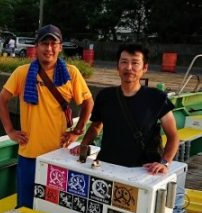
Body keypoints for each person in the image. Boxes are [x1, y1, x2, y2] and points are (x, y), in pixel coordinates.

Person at [0, 24, 94, 208]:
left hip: (59, 154)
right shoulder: (22, 73)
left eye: (53, 43)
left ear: (60, 47)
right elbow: (1, 101)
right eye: (44, 43)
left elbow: (89, 103)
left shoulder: (71, 74)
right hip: (28, 153)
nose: (49, 49)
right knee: (25, 206)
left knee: (55, 207)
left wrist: (77, 132)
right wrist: (10, 131)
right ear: (37, 46)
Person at [71, 43, 179, 174]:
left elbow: (173, 136)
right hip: (107, 166)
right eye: (124, 62)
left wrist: (165, 162)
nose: (129, 68)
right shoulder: (105, 96)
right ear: (117, 66)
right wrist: (83, 145)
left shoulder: (157, 98)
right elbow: (95, 126)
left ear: (144, 67)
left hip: (143, 169)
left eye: (135, 63)